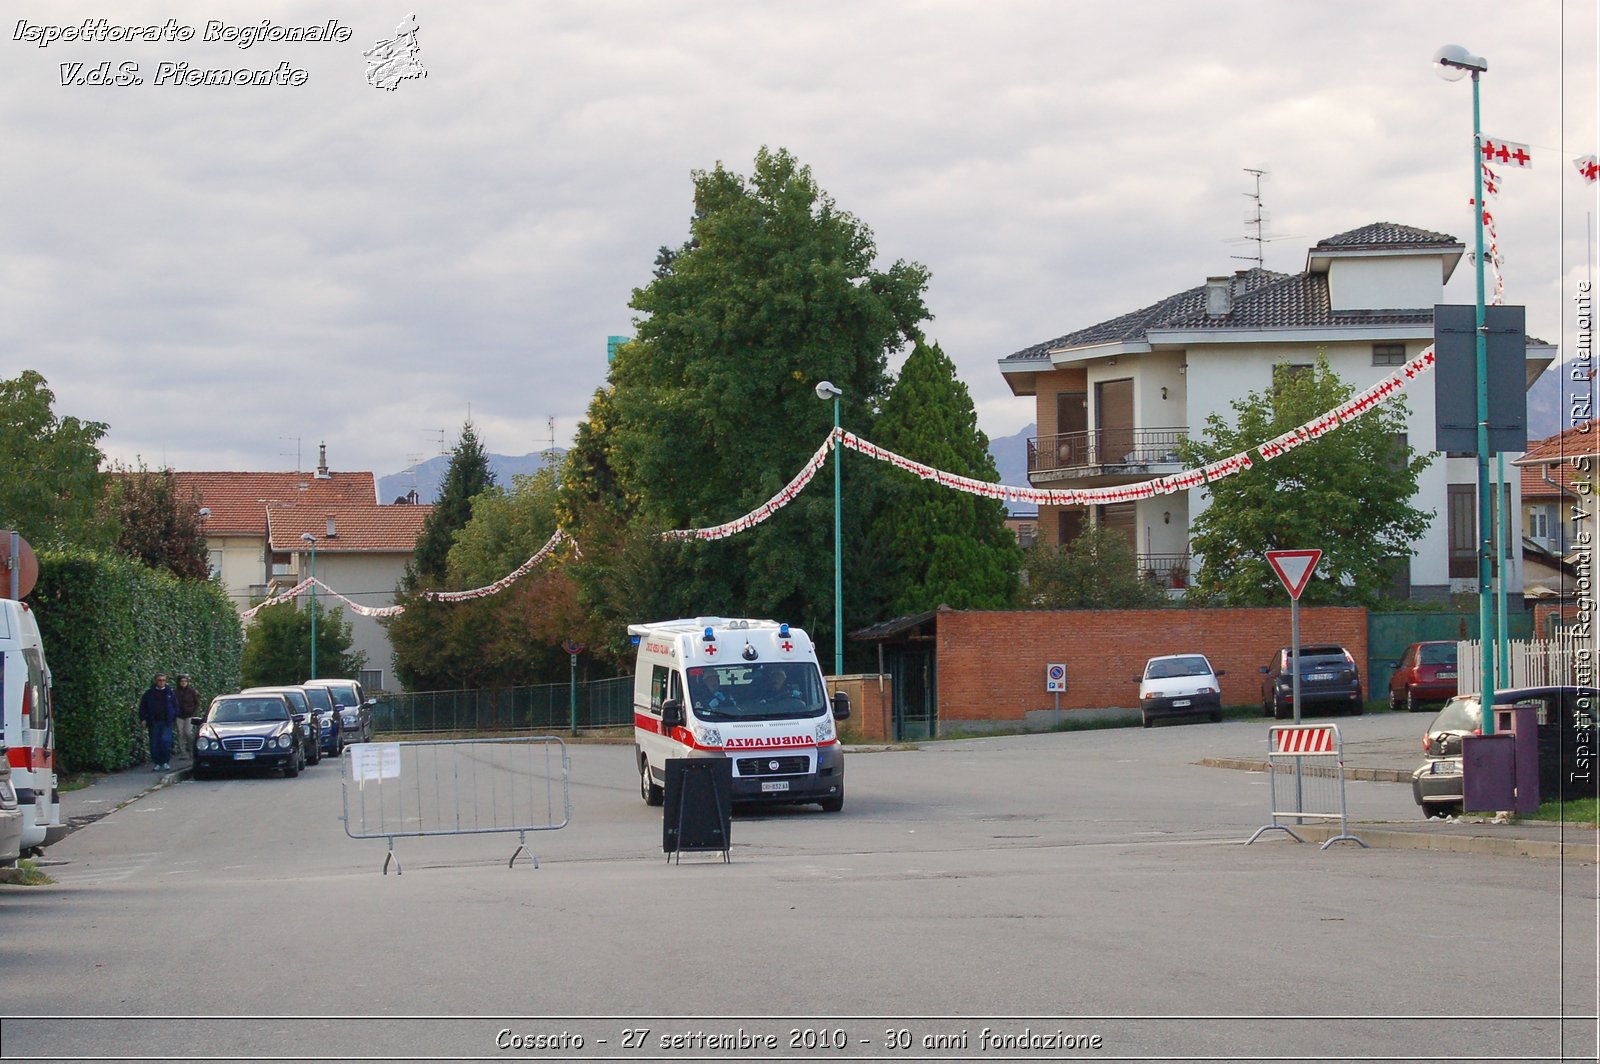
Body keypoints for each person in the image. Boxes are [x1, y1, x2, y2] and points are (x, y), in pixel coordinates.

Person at [138, 672, 179, 772]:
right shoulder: (149, 693)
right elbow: (143, 707)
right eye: (159, 680)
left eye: (163, 680)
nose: (161, 682)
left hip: (166, 722)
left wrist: (173, 716)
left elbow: (175, 706)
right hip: (154, 722)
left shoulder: (170, 693)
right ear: (155, 681)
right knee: (154, 743)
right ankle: (157, 763)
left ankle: (165, 762)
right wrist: (143, 719)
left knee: (166, 742)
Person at [173, 675, 200, 759]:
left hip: (189, 715)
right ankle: (183, 753)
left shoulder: (191, 692)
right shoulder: (175, 692)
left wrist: (193, 712)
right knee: (180, 734)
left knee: (188, 733)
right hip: (179, 715)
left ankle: (191, 751)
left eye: (185, 681)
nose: (183, 683)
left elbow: (196, 703)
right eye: (182, 681)